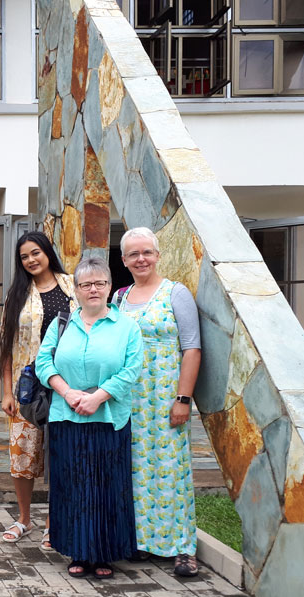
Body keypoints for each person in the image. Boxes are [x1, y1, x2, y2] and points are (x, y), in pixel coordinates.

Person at [35, 258, 143, 579]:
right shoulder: (61, 323)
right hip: (66, 417)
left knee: (107, 486)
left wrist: (98, 396)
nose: (93, 289)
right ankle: (78, 551)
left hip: (109, 418)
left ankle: (104, 554)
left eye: (99, 283)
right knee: (73, 485)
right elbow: (43, 363)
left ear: (110, 287)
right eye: (85, 284)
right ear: (77, 290)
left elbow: (131, 370)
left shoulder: (127, 327)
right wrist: (68, 393)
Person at [114, 227, 202, 577]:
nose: (141, 259)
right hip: (129, 401)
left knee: (172, 470)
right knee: (137, 471)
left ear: (158, 254)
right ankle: (145, 542)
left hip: (166, 399)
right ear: (123, 261)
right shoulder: (119, 297)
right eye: (133, 254)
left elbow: (192, 348)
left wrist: (183, 398)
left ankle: (182, 547)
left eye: (147, 252)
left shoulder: (175, 294)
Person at [0, 232, 75, 544]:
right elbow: (6, 347)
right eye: (24, 256)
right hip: (26, 387)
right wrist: (6, 392)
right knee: (22, 455)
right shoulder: (16, 295)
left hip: (67, 384)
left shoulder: (72, 287)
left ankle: (54, 522)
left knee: (61, 455)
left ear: (47, 252)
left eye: (35, 253)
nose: (31, 260)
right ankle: (24, 519)